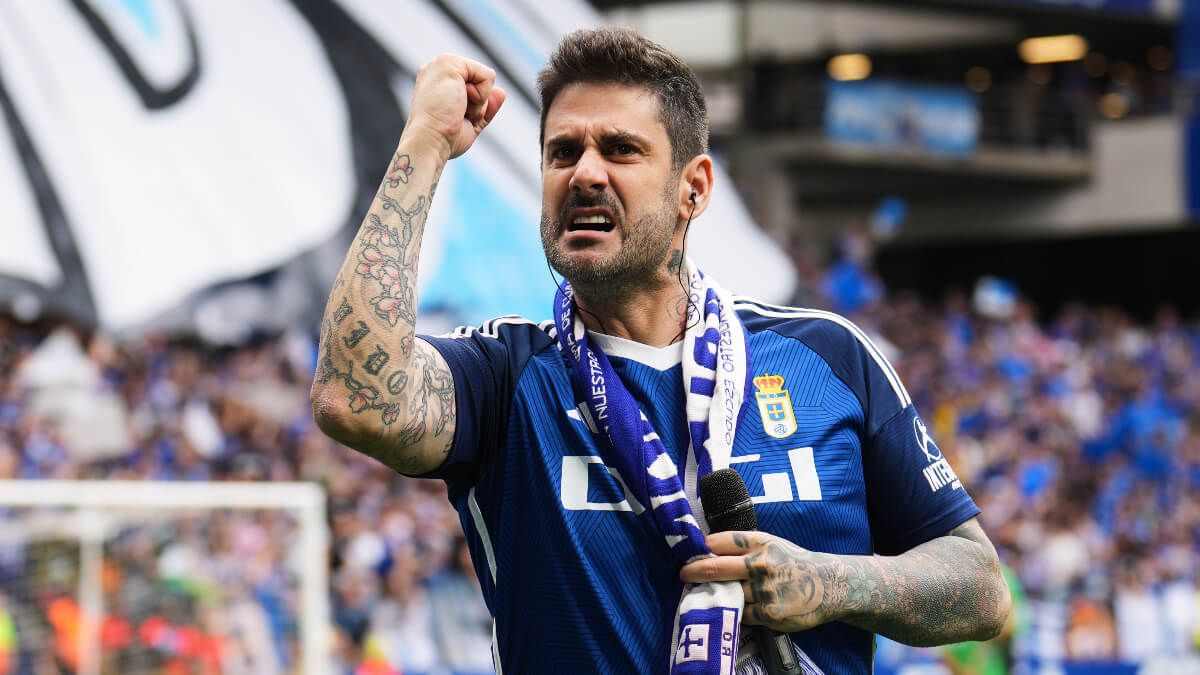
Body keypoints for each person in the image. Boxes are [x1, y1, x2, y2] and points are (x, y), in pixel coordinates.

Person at [311, 27, 1010, 674]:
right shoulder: (508, 375)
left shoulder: (827, 357)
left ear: (694, 188)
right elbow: (354, 396)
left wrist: (832, 582)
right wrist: (425, 143)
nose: (584, 173)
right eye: (563, 152)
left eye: (620, 149)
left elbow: (982, 589)